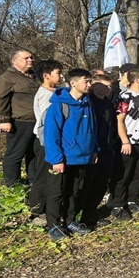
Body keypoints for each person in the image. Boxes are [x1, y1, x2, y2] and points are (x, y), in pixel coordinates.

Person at [43, 68, 98, 240]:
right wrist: (56, 159)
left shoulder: (88, 104)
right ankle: (53, 225)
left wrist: (94, 150)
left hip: (83, 157)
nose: (89, 84)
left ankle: (70, 220)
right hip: (63, 159)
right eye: (86, 81)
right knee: (57, 192)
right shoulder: (59, 105)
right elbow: (51, 135)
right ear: (73, 83)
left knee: (76, 191)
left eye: (90, 81)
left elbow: (93, 129)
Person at [108, 70, 139, 221]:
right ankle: (118, 205)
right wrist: (125, 141)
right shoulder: (126, 96)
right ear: (137, 80)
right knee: (123, 175)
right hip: (129, 142)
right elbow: (119, 120)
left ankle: (133, 199)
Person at [0, 49, 38, 186]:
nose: (30, 60)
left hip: (36, 121)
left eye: (31, 57)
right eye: (26, 58)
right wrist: (3, 120)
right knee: (15, 154)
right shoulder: (6, 79)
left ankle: (33, 182)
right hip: (20, 122)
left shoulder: (35, 77)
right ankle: (12, 185)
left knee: (33, 153)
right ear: (14, 61)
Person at [79, 74, 116, 229]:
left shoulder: (108, 103)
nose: (109, 89)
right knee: (87, 185)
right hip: (93, 150)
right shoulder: (88, 103)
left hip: (108, 149)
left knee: (101, 184)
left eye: (110, 86)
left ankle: (90, 214)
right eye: (105, 86)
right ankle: (79, 217)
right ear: (94, 86)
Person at [29, 59, 64, 222]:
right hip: (45, 143)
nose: (61, 76)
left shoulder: (56, 92)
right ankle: (36, 209)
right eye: (58, 73)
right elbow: (47, 124)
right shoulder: (45, 96)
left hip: (54, 142)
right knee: (43, 175)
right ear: (46, 76)